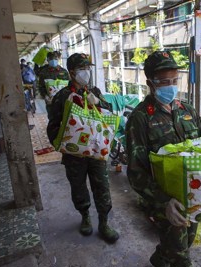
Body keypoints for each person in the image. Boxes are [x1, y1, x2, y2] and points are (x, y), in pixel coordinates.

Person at [125, 51, 201, 267]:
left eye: (175, 80)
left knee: (187, 240)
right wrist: (163, 202)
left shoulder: (187, 111)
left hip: (193, 196)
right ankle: (168, 257)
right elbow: (136, 172)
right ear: (151, 84)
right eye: (165, 82)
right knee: (181, 256)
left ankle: (160, 258)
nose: (171, 87)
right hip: (165, 202)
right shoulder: (141, 118)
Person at [46, 53, 119, 243]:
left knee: (102, 186)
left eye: (88, 68)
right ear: (72, 72)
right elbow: (53, 124)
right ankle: (85, 215)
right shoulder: (62, 96)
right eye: (82, 69)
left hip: (96, 152)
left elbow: (109, 112)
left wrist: (98, 102)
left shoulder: (94, 91)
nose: (86, 72)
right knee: (78, 186)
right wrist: (60, 144)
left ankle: (104, 222)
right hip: (74, 154)